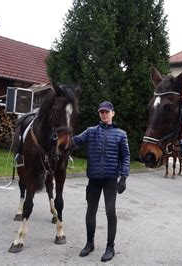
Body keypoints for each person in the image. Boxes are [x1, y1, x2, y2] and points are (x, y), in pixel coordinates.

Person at [71, 101, 130, 262]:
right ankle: (90, 243)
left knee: (110, 212)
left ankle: (110, 247)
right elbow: (74, 142)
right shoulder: (91, 132)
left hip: (111, 180)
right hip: (94, 180)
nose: (104, 114)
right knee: (91, 211)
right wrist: (62, 134)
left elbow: (126, 157)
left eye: (106, 112)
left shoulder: (121, 134)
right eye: (101, 112)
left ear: (113, 113)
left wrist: (123, 177)